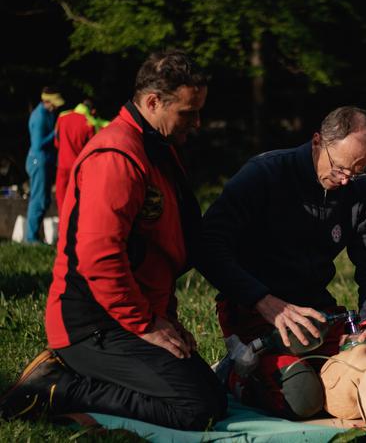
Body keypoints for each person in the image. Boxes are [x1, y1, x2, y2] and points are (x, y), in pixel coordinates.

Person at [0, 51, 227, 430]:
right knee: (196, 408)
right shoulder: (117, 156)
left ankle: (81, 380)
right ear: (153, 102)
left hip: (126, 314)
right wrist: (145, 325)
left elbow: (154, 249)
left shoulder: (158, 148)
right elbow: (99, 257)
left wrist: (164, 318)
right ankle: (55, 388)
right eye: (189, 112)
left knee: (212, 397)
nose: (198, 123)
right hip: (92, 323)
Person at [198, 106, 366, 419]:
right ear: (318, 141)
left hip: (316, 314)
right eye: (341, 168)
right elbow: (207, 245)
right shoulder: (265, 174)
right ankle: (236, 372)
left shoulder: (357, 191)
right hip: (255, 314)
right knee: (303, 398)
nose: (346, 181)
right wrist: (262, 299)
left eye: (358, 171)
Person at [25, 86, 64, 243]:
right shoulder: (40, 116)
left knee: (44, 200)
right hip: (38, 160)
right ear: (46, 101)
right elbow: (38, 143)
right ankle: (31, 238)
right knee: (39, 200)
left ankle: (34, 236)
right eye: (54, 103)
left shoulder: (48, 112)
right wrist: (55, 133)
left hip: (43, 160)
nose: (56, 106)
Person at [54, 98, 100, 214]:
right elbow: (92, 151)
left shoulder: (62, 116)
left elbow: (56, 143)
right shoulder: (90, 123)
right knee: (76, 205)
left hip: (62, 166)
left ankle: (62, 231)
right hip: (78, 169)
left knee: (61, 203)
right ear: (92, 111)